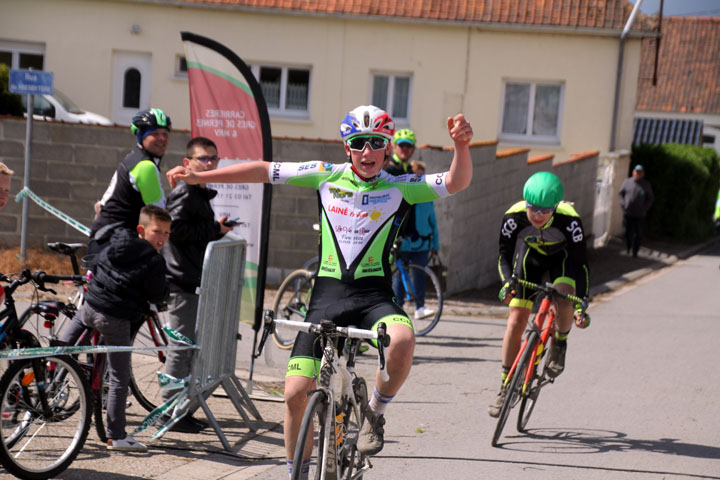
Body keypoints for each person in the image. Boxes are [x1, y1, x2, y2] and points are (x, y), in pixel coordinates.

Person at [167, 105, 473, 478]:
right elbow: (264, 169)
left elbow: (456, 182)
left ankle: (374, 414)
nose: (367, 151)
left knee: (403, 340)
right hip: (327, 298)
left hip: (375, 297)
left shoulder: (400, 186)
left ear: (386, 147)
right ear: (347, 146)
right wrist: (203, 177)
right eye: (359, 142)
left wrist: (460, 147)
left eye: (376, 143)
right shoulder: (324, 175)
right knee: (296, 394)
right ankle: (297, 470)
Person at [60, 205, 171, 451]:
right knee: (120, 376)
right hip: (116, 317)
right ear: (142, 230)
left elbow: (98, 263)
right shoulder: (154, 260)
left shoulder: (118, 239)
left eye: (167, 233)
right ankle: (116, 436)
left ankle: (46, 376)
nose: (162, 238)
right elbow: (155, 294)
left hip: (90, 306)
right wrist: (165, 289)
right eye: (157, 231)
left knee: (61, 350)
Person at [489, 171, 590, 418]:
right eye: (533, 209)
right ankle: (505, 385)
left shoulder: (570, 221)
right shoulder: (513, 217)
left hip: (562, 260)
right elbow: (504, 255)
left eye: (545, 211)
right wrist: (506, 284)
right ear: (526, 202)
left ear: (556, 207)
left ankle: (560, 344)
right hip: (530, 257)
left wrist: (581, 303)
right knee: (515, 319)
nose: (538, 215)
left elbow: (580, 265)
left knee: (564, 298)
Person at [160, 137, 233, 432]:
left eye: (214, 159)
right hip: (181, 281)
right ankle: (168, 412)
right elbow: (174, 230)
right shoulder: (187, 192)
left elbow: (194, 233)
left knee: (188, 348)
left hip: (192, 279)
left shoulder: (198, 192)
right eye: (204, 159)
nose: (210, 164)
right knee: (180, 348)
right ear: (187, 163)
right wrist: (214, 228)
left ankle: (180, 409)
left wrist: (217, 230)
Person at [89, 108, 172, 258]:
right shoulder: (145, 166)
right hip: (114, 244)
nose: (162, 139)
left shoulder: (134, 159)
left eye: (165, 134)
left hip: (107, 239)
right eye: (154, 134)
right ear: (141, 137)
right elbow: (160, 214)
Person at [392, 159, 440, 320]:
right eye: (416, 176)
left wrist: (435, 244)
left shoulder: (427, 197)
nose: (419, 180)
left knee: (419, 274)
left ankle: (420, 306)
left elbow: (433, 222)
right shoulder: (404, 196)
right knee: (400, 274)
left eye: (421, 177)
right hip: (404, 242)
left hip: (422, 244)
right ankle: (397, 307)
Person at [618, 164, 654, 258]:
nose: (638, 174)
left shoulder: (646, 184)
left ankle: (635, 251)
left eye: (640, 173)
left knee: (638, 233)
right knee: (626, 231)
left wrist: (645, 207)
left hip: (640, 214)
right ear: (633, 172)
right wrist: (623, 204)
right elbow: (621, 193)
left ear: (643, 174)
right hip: (628, 212)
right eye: (636, 172)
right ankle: (628, 247)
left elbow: (650, 198)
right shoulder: (627, 182)